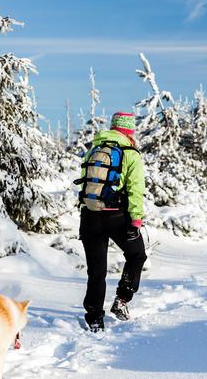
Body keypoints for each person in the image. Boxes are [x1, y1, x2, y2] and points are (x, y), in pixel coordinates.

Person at [76, 112, 147, 332]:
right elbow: (136, 189)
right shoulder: (130, 154)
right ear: (129, 131)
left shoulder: (93, 150)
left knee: (96, 271)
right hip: (117, 216)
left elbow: (85, 184)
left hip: (90, 216)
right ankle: (122, 300)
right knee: (137, 255)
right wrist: (136, 219)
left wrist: (86, 211)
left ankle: (95, 319)